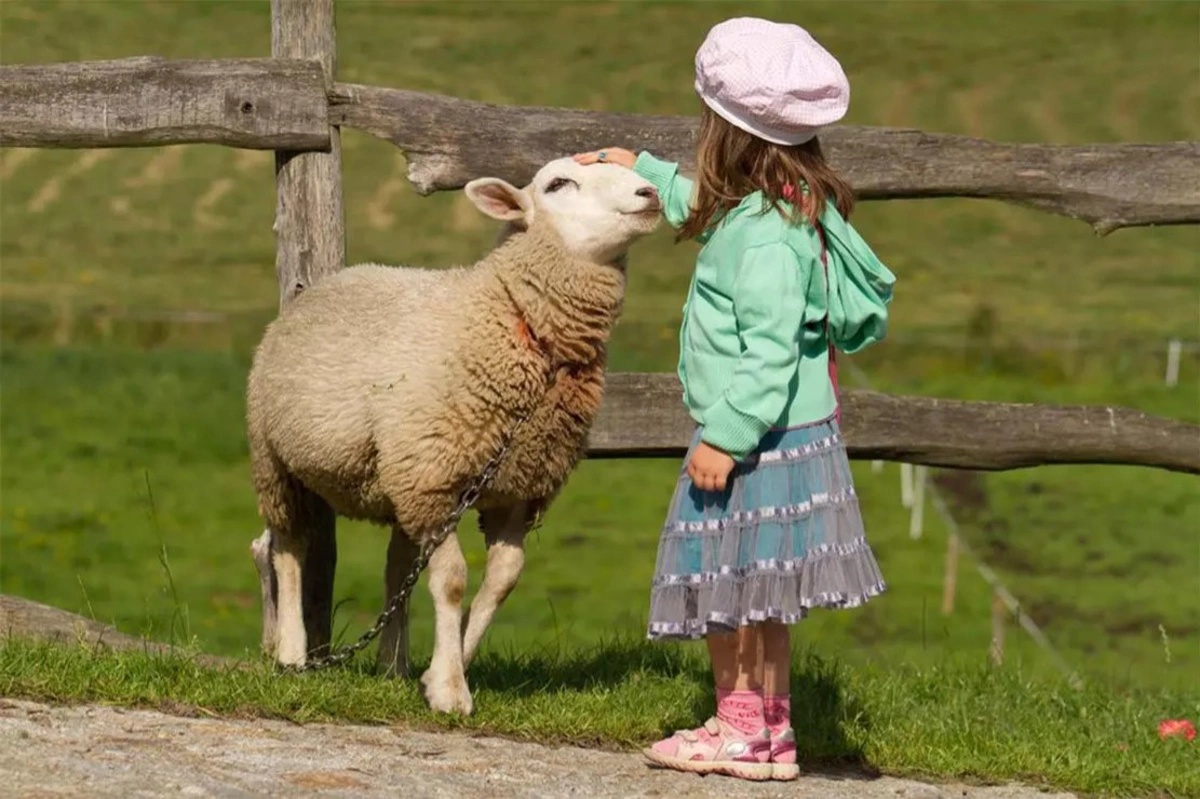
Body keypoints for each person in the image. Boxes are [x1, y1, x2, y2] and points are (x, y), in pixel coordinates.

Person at [573, 17, 896, 783]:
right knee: (765, 596)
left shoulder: (763, 237)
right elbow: (698, 207)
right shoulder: (771, 205)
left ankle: (737, 727)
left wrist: (723, 435)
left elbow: (768, 350)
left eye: (705, 126)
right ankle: (771, 733)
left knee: (726, 589)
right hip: (787, 434)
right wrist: (638, 164)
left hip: (756, 439)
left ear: (729, 137)